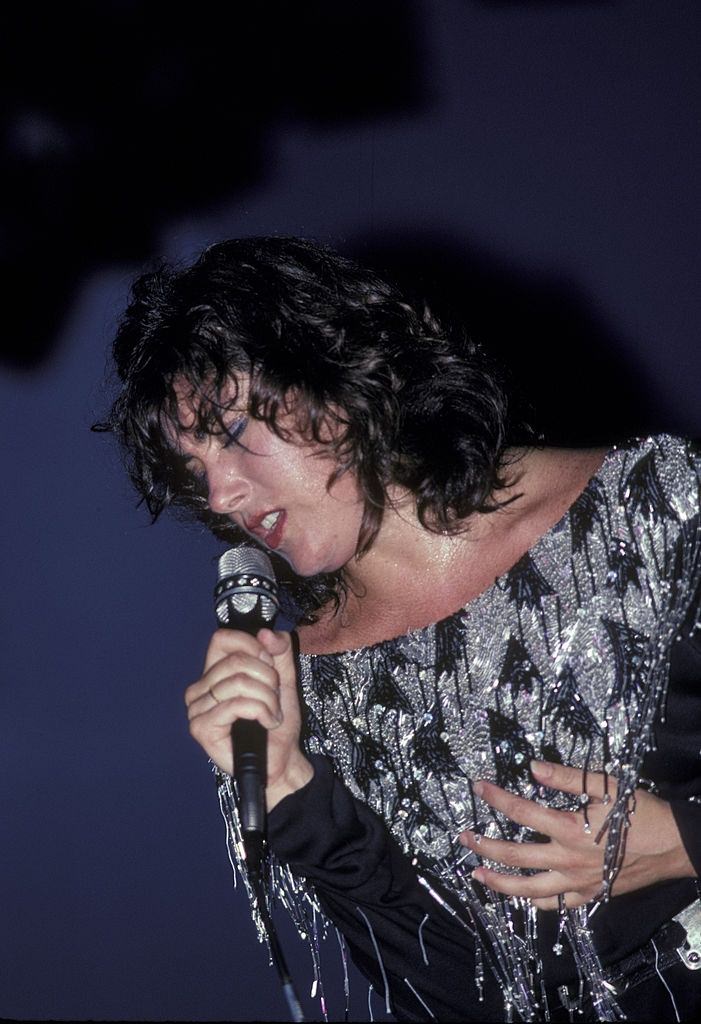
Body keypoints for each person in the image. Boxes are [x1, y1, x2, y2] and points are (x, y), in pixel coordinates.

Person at [103, 236, 701, 1022]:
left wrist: (679, 839)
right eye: (194, 470)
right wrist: (289, 787)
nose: (218, 495)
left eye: (231, 434)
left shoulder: (652, 506)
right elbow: (450, 993)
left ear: (336, 378)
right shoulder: (305, 687)